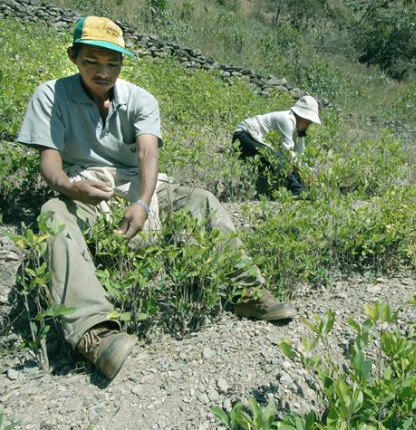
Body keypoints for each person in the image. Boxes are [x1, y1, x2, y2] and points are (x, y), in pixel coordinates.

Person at [17, 16, 296, 381]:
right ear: (73, 56)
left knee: (201, 200)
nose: (103, 72)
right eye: (91, 62)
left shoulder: (140, 99)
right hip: (84, 184)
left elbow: (148, 154)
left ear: (123, 63)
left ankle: (247, 292)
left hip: (137, 183)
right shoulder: (50, 94)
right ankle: (93, 333)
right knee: (53, 213)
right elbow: (49, 162)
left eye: (112, 63)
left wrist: (143, 203)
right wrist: (70, 188)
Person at [232, 96, 321, 197]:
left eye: (310, 123)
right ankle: (297, 190)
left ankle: (301, 189)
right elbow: (287, 151)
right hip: (243, 136)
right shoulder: (287, 120)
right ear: (300, 115)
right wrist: (303, 171)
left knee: (281, 160)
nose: (307, 126)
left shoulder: (300, 131)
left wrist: (305, 173)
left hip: (257, 142)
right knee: (274, 158)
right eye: (307, 122)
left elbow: (299, 156)